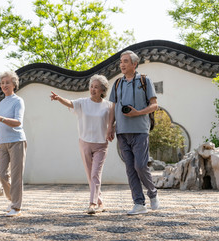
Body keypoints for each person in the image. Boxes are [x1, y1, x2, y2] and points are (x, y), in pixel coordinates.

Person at [50, 74, 112, 215]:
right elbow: (70, 103)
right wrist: (59, 98)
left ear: (102, 90)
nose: (93, 89)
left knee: (96, 174)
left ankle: (92, 203)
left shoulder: (108, 106)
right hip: (84, 142)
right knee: (90, 175)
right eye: (91, 86)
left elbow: (113, 121)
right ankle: (100, 202)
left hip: (101, 144)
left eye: (96, 87)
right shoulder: (83, 102)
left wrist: (112, 129)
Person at [107, 50, 159, 215]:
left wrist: (137, 112)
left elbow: (154, 105)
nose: (122, 64)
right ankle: (139, 203)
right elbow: (113, 107)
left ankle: (152, 193)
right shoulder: (117, 83)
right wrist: (110, 126)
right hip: (122, 131)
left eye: (126, 61)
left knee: (140, 166)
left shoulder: (144, 80)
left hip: (140, 130)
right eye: (121, 61)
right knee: (130, 168)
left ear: (134, 64)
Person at [0, 71, 27, 217]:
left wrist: (0, 118)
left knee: (16, 175)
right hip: (2, 143)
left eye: (7, 82)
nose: (4, 85)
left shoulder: (18, 101)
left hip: (17, 141)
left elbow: (18, 122)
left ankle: (16, 207)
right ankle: (13, 199)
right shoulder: (1, 103)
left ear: (14, 85)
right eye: (2, 82)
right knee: (2, 174)